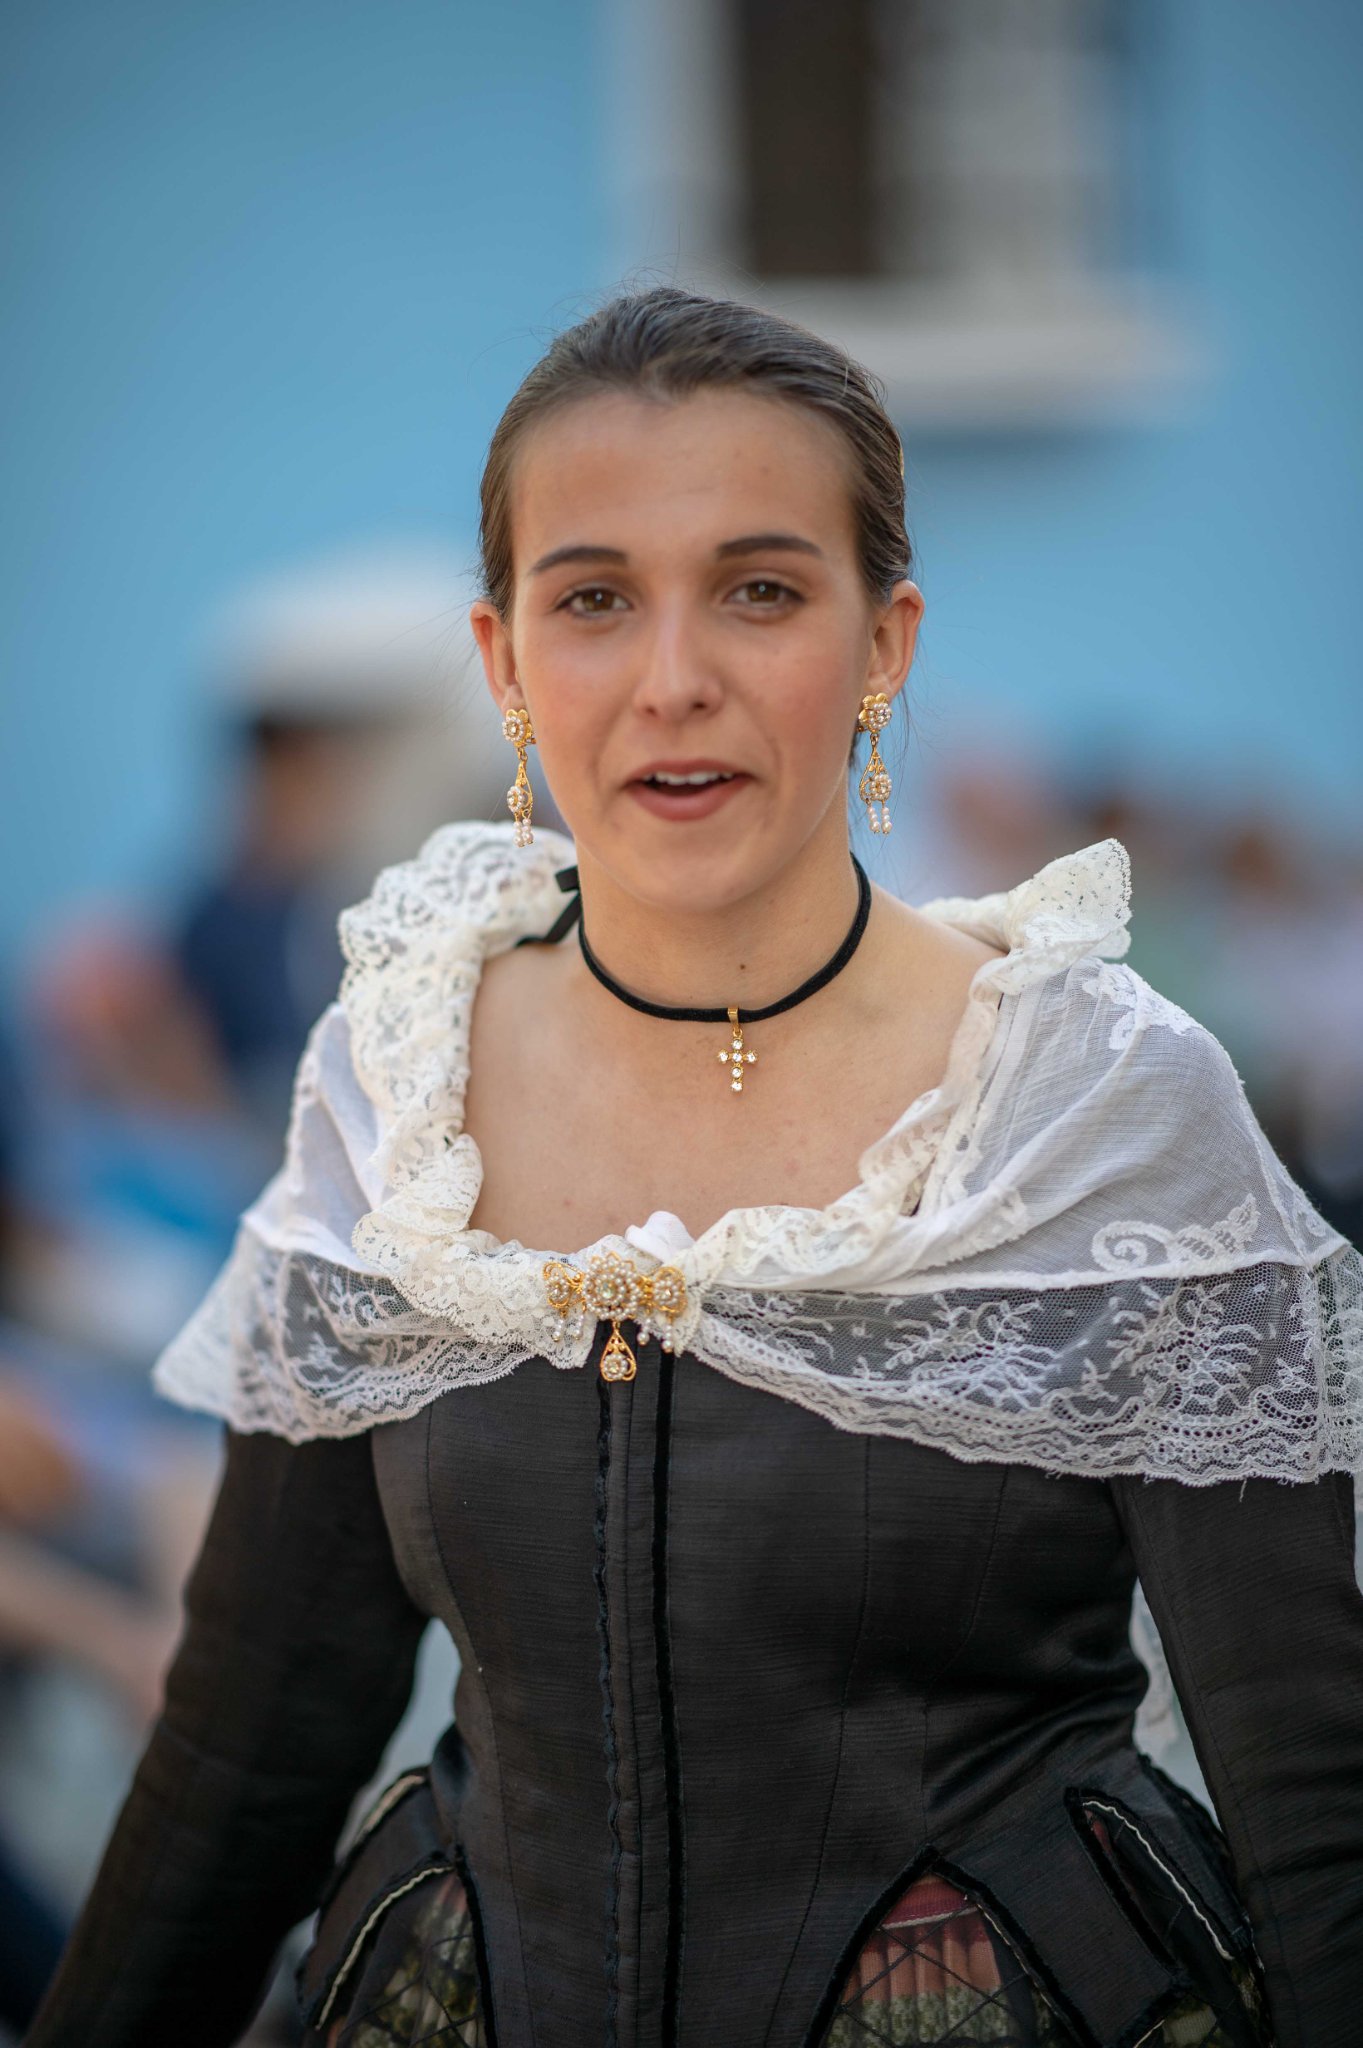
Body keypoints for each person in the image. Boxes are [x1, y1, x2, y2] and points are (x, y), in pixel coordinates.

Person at [24, 288, 1363, 2048]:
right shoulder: (397, 1090)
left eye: (760, 590)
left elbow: (1311, 1785)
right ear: (505, 662)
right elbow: (248, 1746)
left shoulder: (1096, 1104)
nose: (674, 681)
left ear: (883, 645)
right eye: (593, 599)